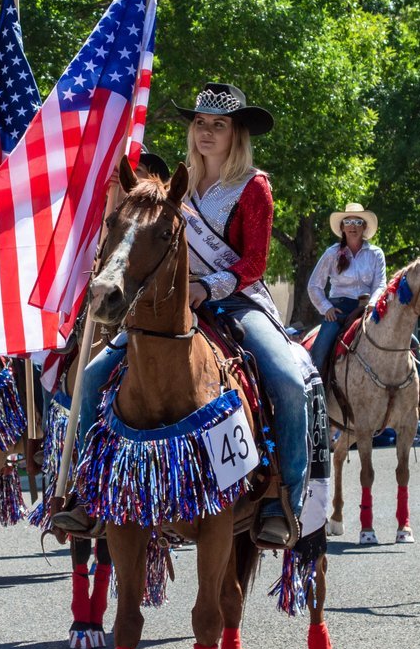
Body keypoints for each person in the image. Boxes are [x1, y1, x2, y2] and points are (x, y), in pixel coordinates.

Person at [65, 83, 309, 548]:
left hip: (237, 301)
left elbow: (254, 262)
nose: (207, 133)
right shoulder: (175, 187)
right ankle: (87, 491)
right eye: (200, 123)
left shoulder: (253, 186)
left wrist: (207, 286)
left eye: (219, 125)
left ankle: (283, 498)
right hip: (170, 305)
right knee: (93, 377)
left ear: (236, 134)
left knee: (287, 380)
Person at [306, 203, 387, 370]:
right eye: (348, 222)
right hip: (339, 311)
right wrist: (326, 307)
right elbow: (314, 285)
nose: (353, 226)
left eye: (358, 222)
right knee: (319, 351)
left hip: (367, 308)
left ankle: (419, 386)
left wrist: (373, 303)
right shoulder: (332, 253)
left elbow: (380, 284)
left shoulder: (376, 253)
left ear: (364, 227)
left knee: (406, 340)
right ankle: (314, 390)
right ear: (342, 227)